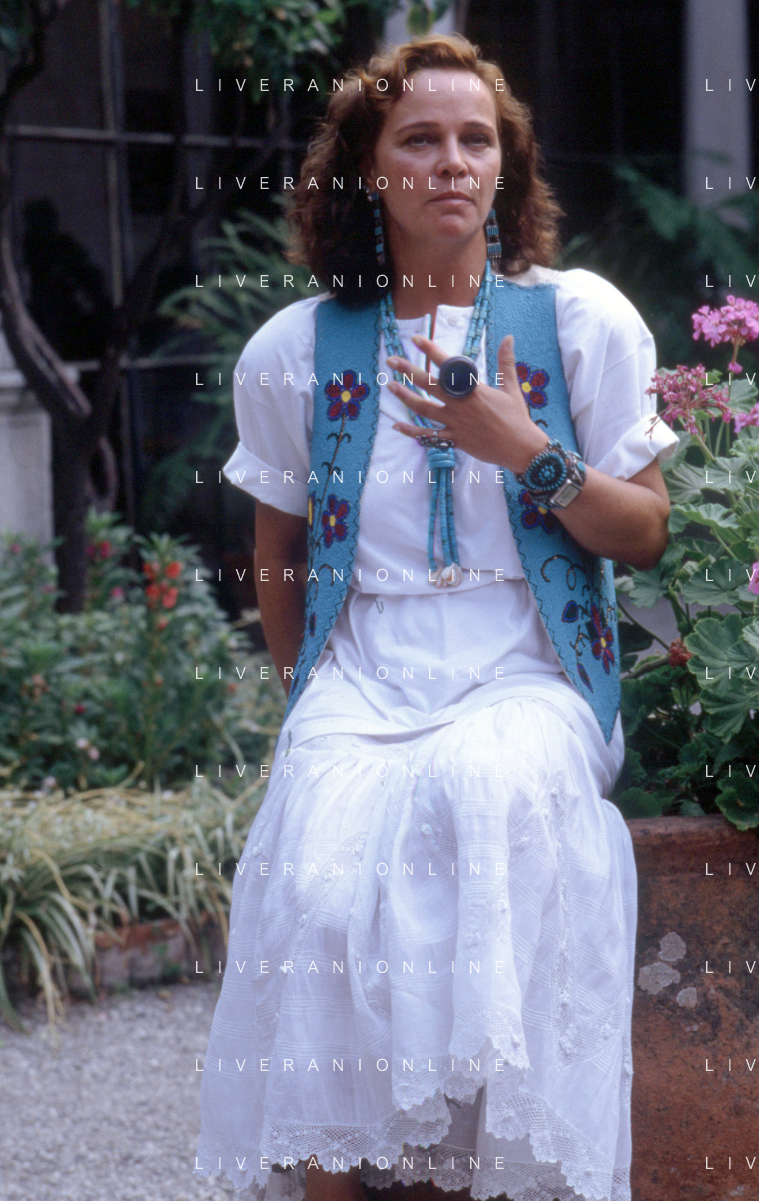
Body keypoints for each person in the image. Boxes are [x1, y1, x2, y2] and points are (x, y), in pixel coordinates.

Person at [193, 32, 678, 1201]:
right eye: (419, 139)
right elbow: (277, 553)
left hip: (526, 665)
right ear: (369, 168)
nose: (452, 162)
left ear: (506, 166)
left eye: (476, 140)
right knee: (318, 878)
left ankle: (477, 1175)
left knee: (487, 801)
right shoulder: (297, 350)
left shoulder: (577, 321)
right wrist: (308, 699)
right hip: (367, 670)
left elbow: (644, 533)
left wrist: (526, 449)